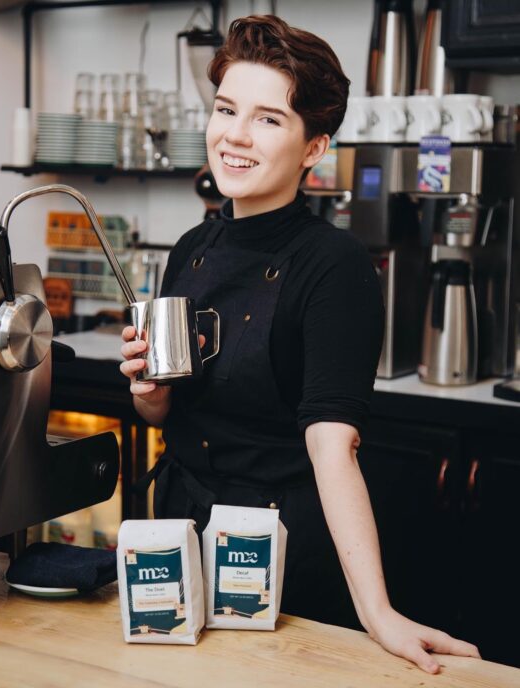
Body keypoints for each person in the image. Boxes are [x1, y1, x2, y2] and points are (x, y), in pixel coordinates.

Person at [120, 14, 480, 674]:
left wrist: (378, 612)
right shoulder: (192, 249)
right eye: (227, 108)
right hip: (177, 552)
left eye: (267, 119)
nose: (233, 134)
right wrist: (148, 393)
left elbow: (332, 445)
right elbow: (166, 415)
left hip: (278, 566)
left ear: (313, 147)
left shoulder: (333, 267)